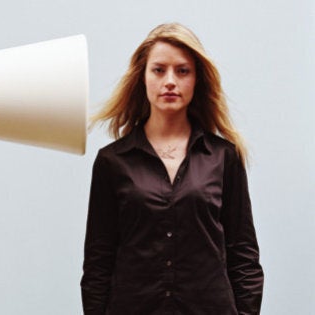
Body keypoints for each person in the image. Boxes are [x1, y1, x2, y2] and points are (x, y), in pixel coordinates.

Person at [81, 23, 264, 314]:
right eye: (158, 70)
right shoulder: (112, 162)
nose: (170, 81)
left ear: (196, 80)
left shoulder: (223, 157)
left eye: (182, 71)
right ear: (142, 77)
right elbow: (98, 263)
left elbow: (243, 256)